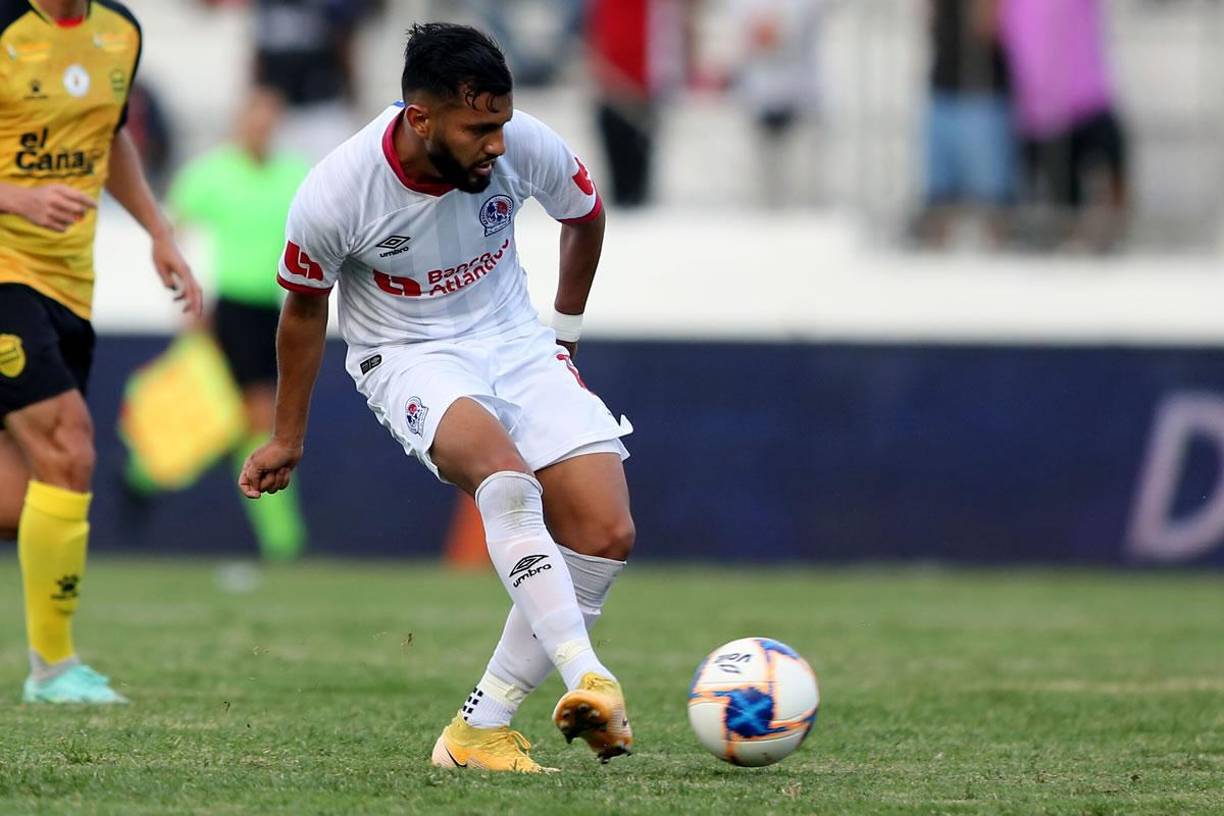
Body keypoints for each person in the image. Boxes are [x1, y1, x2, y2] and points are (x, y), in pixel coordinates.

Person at [239, 23, 634, 772]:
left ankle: (478, 730)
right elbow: (302, 306)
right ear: (420, 119)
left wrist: (566, 339)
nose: (495, 144)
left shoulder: (524, 145)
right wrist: (289, 436)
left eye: (501, 124)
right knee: (506, 478)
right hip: (409, 357)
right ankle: (590, 674)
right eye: (478, 128)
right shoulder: (338, 190)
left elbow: (584, 218)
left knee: (605, 530)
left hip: (517, 341)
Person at [0, 0, 202, 703]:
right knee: (69, 448)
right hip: (4, 272)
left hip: (70, 285)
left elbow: (109, 138)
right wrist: (15, 200)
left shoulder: (120, 31)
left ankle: (52, 667)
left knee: (23, 488)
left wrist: (157, 230)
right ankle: (52, 669)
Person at [125, 86, 311, 562]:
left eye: (270, 119)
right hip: (224, 310)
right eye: (254, 118)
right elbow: (174, 231)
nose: (261, 128)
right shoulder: (211, 174)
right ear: (239, 122)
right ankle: (283, 542)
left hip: (270, 311)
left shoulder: (295, 175)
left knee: (243, 422)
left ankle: (142, 478)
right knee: (231, 416)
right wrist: (188, 298)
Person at [999, 0, 1129, 250]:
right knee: (1064, 197)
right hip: (1040, 113)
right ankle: (1073, 243)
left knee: (1112, 164)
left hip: (1087, 98)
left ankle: (1110, 234)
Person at [918, 0, 1016, 247]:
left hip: (983, 95)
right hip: (946, 89)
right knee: (939, 201)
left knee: (994, 205)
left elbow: (989, 26)